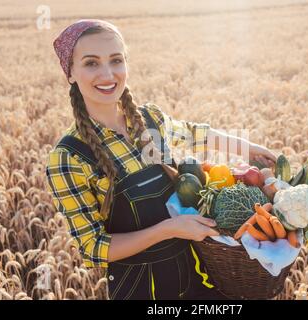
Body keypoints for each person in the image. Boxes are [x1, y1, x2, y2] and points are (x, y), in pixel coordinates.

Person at [46, 19, 277, 300]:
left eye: (116, 60)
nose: (107, 74)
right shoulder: (70, 156)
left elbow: (195, 134)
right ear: (70, 72)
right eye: (91, 63)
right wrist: (168, 229)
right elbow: (93, 248)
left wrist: (248, 148)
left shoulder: (148, 119)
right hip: (141, 290)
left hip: (198, 277)